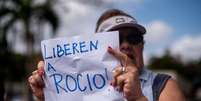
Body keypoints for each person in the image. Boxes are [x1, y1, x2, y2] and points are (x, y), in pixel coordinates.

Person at [28, 9, 185, 101]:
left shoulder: (162, 84)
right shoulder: (78, 90)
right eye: (116, 38)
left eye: (134, 38)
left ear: (142, 45)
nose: (125, 45)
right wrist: (50, 96)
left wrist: (138, 98)